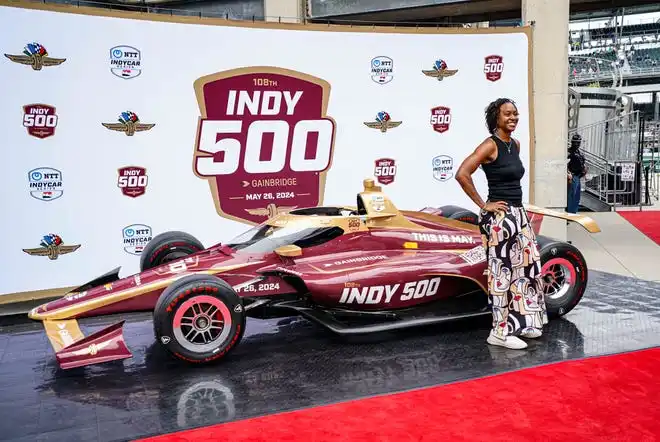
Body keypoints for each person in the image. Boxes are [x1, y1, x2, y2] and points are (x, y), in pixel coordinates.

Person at [455, 98, 548, 350]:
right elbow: (462, 173)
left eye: (516, 114)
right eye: (507, 114)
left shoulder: (514, 144)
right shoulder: (489, 145)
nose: (513, 118)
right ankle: (498, 331)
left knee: (526, 270)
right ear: (496, 117)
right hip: (499, 219)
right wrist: (484, 205)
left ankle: (520, 323)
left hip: (518, 214)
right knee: (501, 274)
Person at [567, 134, 587, 214]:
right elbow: (565, 164)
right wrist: (568, 173)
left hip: (578, 176)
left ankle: (574, 212)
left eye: (578, 142)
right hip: (572, 175)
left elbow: (582, 162)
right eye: (575, 142)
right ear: (572, 142)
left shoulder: (578, 152)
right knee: (571, 196)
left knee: (576, 196)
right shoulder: (569, 152)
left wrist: (584, 168)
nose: (577, 144)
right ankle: (570, 213)